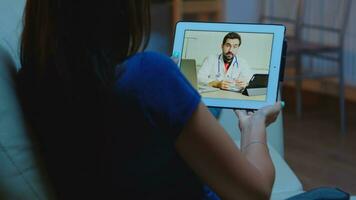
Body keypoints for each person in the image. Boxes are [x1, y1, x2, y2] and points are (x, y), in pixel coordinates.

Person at [16, 0, 282, 199]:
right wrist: (254, 126)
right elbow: (255, 193)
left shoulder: (32, 81)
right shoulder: (148, 77)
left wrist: (172, 90)